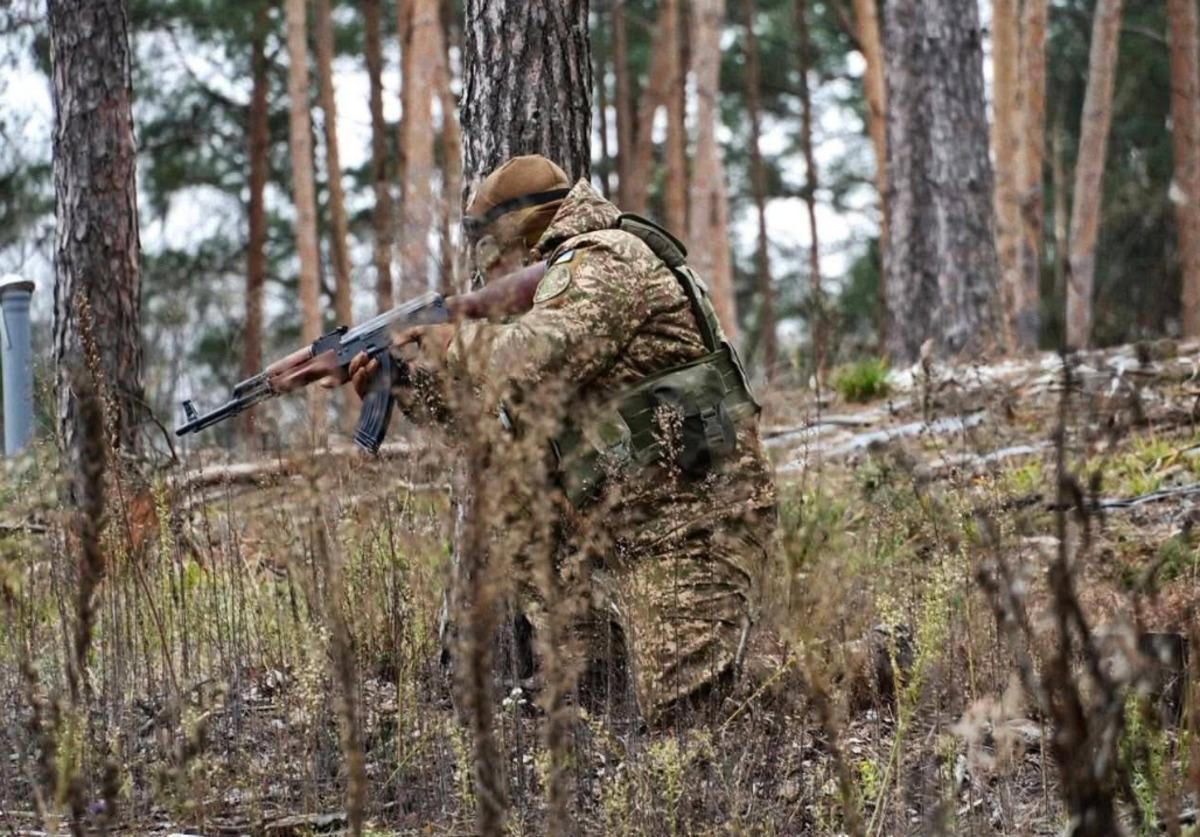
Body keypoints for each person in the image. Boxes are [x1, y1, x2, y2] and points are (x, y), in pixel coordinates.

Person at [350, 155, 777, 725]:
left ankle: (863, 666)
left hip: (695, 523)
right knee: (594, 710)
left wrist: (447, 341)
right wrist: (405, 385)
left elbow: (526, 361)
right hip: (623, 515)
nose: (486, 253)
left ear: (522, 223)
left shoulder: (607, 259)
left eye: (489, 235)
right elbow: (496, 430)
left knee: (687, 722)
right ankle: (592, 693)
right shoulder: (559, 285)